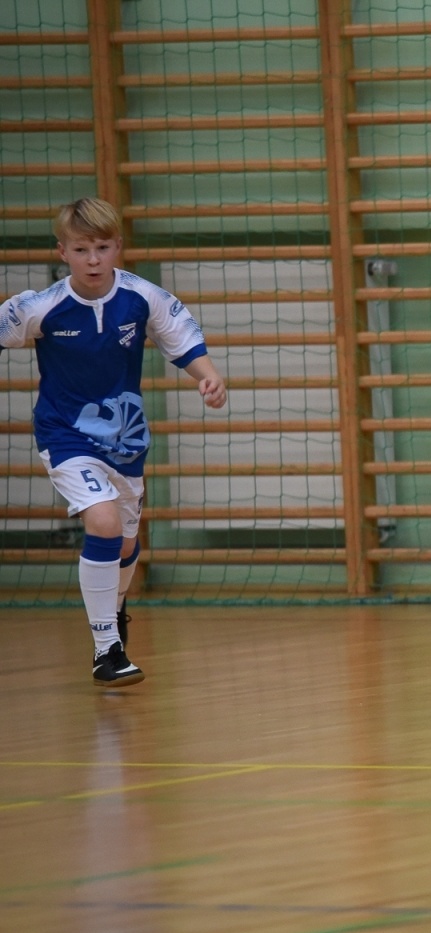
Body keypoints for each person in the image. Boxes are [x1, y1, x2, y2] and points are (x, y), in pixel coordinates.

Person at [0, 198, 227, 686]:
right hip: (64, 434)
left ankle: (115, 614)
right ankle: (107, 650)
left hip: (125, 440)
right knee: (102, 522)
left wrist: (207, 377)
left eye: (103, 248)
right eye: (82, 249)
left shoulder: (142, 297)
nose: (94, 259)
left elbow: (181, 337)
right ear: (63, 252)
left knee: (124, 541)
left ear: (118, 247)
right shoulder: (41, 307)